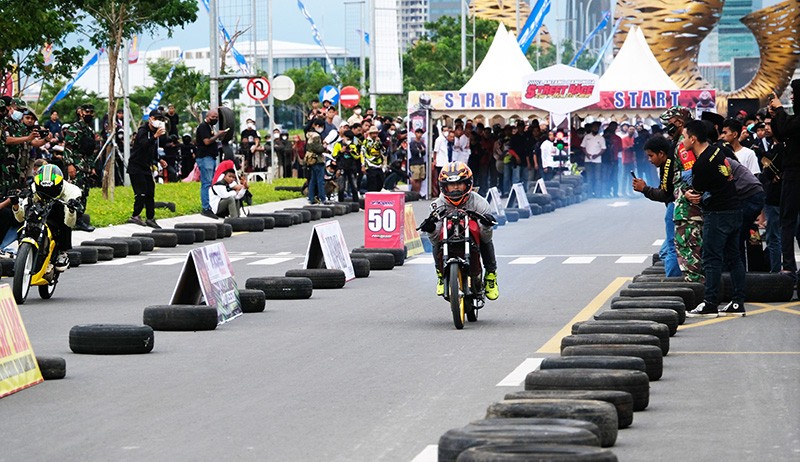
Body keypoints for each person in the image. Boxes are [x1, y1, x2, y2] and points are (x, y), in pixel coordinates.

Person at [683, 120, 746, 317]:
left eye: (684, 137)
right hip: (735, 209)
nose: (682, 141)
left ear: (693, 139)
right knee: (734, 257)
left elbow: (696, 193)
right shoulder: (719, 150)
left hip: (718, 214)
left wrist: (686, 194)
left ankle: (710, 303)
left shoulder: (701, 165)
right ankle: (738, 302)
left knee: (711, 258)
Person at [419, 161, 499, 301]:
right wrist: (430, 229)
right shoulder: (436, 205)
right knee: (437, 241)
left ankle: (491, 275)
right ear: (444, 186)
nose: (455, 187)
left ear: (468, 184)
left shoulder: (479, 202)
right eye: (451, 185)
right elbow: (435, 237)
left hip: (471, 234)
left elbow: (486, 235)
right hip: (448, 235)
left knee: (486, 240)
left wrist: (486, 224)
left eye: (459, 183)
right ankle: (440, 274)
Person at [661, 105, 704, 283]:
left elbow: (690, 173)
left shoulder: (683, 145)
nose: (667, 127)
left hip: (688, 207)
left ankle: (695, 288)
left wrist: (687, 192)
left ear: (679, 122)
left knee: (688, 248)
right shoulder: (682, 142)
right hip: (685, 203)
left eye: (669, 123)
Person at [12, 164, 81, 272]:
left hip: (61, 208)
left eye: (51, 189)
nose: (48, 192)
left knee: (62, 212)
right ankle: (22, 251)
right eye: (44, 189)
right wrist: (15, 205)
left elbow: (70, 222)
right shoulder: (33, 188)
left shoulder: (71, 191)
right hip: (41, 206)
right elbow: (20, 218)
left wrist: (71, 209)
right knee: (29, 212)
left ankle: (62, 252)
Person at [632, 135, 682, 278]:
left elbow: (666, 194)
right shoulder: (666, 164)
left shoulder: (669, 165)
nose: (649, 160)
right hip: (674, 205)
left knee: (672, 249)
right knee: (665, 251)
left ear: (661, 153)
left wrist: (645, 189)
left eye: (651, 156)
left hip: (675, 206)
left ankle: (673, 281)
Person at [769, 79, 800, 283]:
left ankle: (788, 266)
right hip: (792, 173)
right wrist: (775, 116)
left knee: (788, 220)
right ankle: (788, 265)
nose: (792, 98)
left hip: (796, 173)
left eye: (794, 94)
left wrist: (780, 110)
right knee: (788, 220)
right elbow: (781, 133)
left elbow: (788, 128)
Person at [126, 109, 167, 229]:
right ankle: (135, 215)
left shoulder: (155, 133)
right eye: (156, 119)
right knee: (141, 192)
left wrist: (159, 160)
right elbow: (144, 144)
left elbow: (152, 150)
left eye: (160, 119)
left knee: (150, 192)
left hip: (145, 166)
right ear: (150, 119)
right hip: (136, 166)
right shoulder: (143, 131)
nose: (158, 121)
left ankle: (150, 218)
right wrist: (155, 136)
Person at [62, 103, 97, 232]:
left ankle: (79, 219)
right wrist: (70, 165)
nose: (89, 115)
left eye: (91, 112)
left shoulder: (90, 130)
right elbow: (68, 147)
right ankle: (71, 219)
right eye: (87, 112)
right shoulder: (75, 128)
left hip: (86, 167)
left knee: (84, 193)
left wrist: (92, 167)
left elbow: (91, 151)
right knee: (75, 193)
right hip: (76, 166)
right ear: (81, 112)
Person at [195, 108, 228, 219]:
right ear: (207, 116)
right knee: (206, 183)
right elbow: (207, 141)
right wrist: (218, 135)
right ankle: (206, 208)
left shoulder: (210, 127)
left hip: (211, 157)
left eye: (217, 117)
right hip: (205, 158)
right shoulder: (203, 127)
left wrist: (220, 136)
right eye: (213, 117)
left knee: (210, 182)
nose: (215, 119)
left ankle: (211, 206)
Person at [581, 122, 605, 197]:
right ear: (591, 128)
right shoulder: (587, 137)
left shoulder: (601, 138)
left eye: (597, 128)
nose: (595, 129)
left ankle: (598, 194)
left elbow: (603, 148)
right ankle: (589, 194)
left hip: (598, 161)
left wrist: (597, 155)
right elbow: (583, 147)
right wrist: (587, 154)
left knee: (598, 178)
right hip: (588, 160)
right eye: (594, 127)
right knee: (589, 177)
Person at [305, 121, 326, 204]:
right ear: (317, 126)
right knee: (320, 180)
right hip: (318, 160)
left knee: (313, 180)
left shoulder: (309, 135)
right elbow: (318, 149)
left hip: (311, 160)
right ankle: (322, 198)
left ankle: (311, 197)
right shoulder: (316, 136)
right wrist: (324, 146)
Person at [361, 125, 386, 192]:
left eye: (376, 133)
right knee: (372, 185)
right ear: (370, 134)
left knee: (380, 183)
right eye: (373, 133)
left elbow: (383, 151)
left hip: (379, 165)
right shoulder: (366, 142)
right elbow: (362, 153)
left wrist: (379, 143)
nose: (375, 135)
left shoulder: (378, 141)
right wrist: (363, 165)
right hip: (370, 166)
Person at [408, 128, 426, 193]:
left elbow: (424, 152)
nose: (419, 134)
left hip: (421, 162)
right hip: (414, 163)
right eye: (418, 133)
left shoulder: (422, 143)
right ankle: (414, 192)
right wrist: (421, 150)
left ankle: (418, 192)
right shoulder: (412, 143)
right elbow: (414, 152)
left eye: (421, 133)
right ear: (415, 133)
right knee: (415, 178)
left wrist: (421, 151)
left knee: (421, 178)